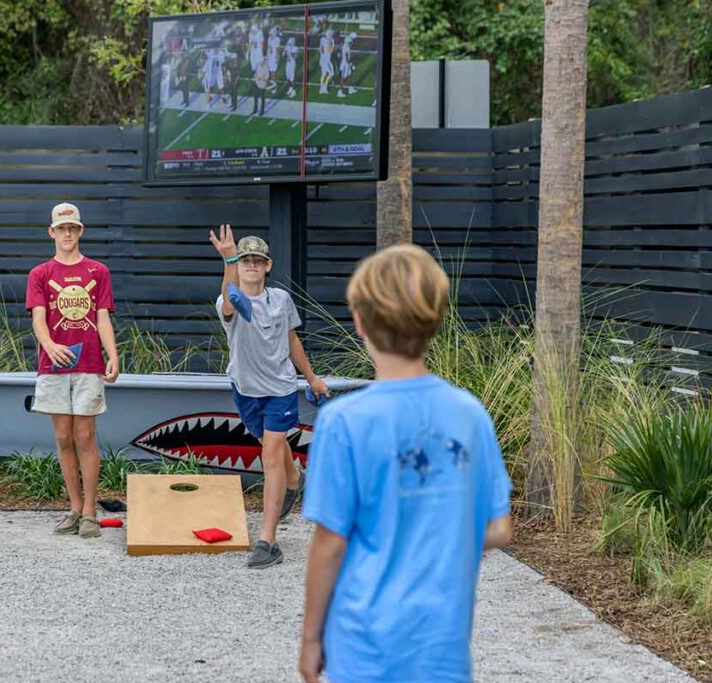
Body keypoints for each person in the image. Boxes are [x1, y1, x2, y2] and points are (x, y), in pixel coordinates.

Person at [298, 244, 514, 683]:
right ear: (435, 320)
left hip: (364, 647)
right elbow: (499, 528)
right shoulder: (470, 413)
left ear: (359, 321)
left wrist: (311, 639)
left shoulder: (342, 421)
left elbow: (330, 543)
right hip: (444, 645)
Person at [208, 225, 329, 569]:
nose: (250, 265)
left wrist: (311, 377)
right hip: (245, 389)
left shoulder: (281, 300)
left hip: (280, 389)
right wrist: (228, 259)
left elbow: (291, 341)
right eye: (245, 260)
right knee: (274, 451)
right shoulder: (228, 300)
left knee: (271, 455)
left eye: (256, 260)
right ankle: (295, 480)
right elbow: (231, 301)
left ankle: (268, 541)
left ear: (267, 265)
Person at [27, 202, 119, 539]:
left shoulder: (98, 272)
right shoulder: (41, 274)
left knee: (85, 436)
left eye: (73, 228)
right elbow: (38, 318)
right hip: (53, 366)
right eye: (61, 228)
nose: (67, 233)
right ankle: (74, 507)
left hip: (89, 362)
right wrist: (49, 345)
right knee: (63, 437)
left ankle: (91, 511)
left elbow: (102, 317)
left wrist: (113, 354)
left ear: (80, 231)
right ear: (52, 232)